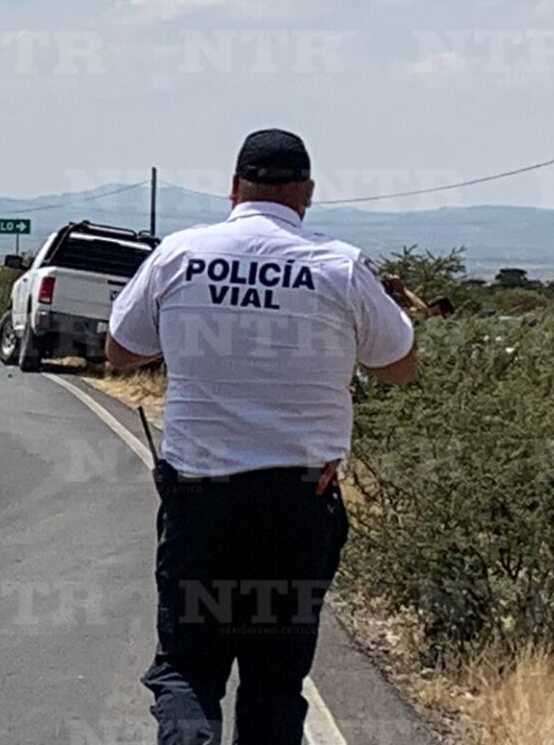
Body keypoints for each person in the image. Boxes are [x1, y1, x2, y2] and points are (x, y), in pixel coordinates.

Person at [107, 129, 418, 744]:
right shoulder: (339, 265)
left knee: (189, 673)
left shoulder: (179, 255)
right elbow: (400, 364)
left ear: (232, 188)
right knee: (275, 684)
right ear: (306, 193)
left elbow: (121, 350)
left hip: (202, 508)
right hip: (298, 510)